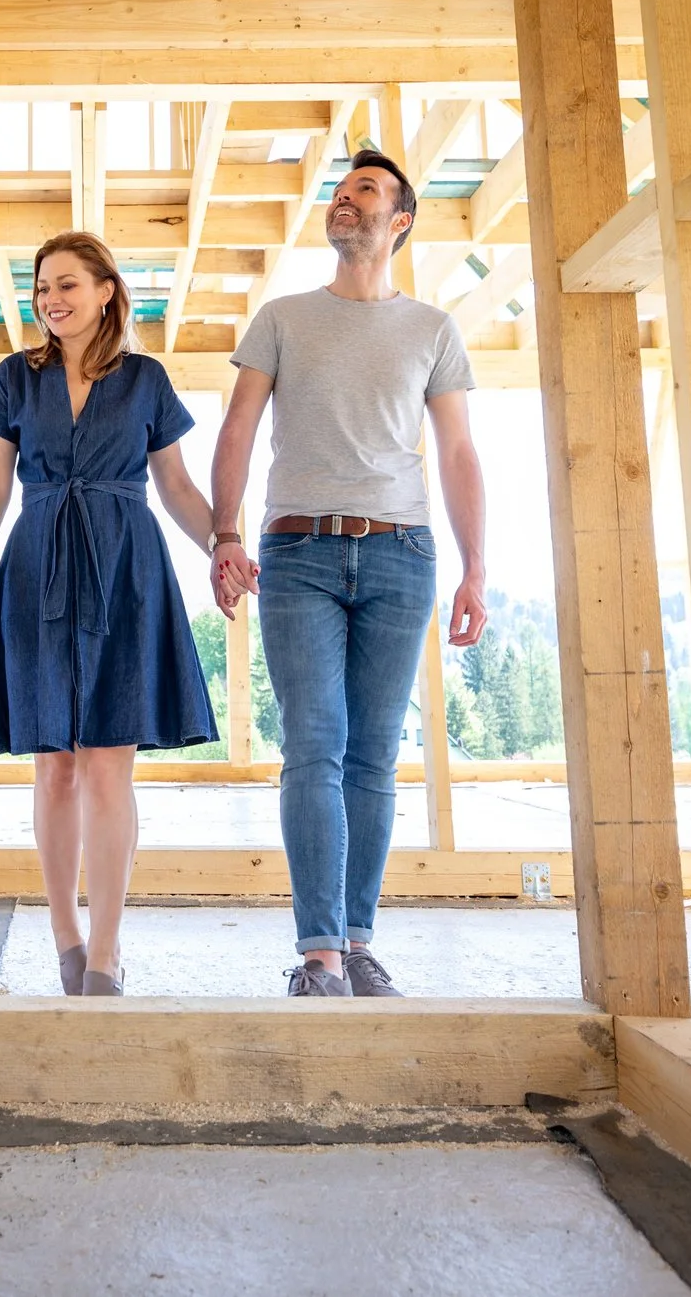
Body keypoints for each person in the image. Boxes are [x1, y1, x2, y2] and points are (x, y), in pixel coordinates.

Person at [207, 149, 489, 998]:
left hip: (404, 552)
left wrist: (477, 567)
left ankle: (357, 943)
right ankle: (320, 954)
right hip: (298, 553)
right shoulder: (284, 317)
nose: (345, 201)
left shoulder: (432, 328)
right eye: (338, 191)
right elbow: (238, 428)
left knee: (372, 755)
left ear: (399, 220)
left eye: (363, 190)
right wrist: (225, 532)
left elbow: (459, 450)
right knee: (314, 746)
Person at [0, 230, 224, 997]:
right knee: (55, 765)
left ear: (107, 290)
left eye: (68, 284)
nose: (52, 299)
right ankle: (65, 937)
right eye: (43, 286)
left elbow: (174, 485)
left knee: (110, 763)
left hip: (125, 565)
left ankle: (106, 953)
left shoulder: (145, 378)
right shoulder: (16, 377)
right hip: (37, 560)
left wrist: (225, 544)